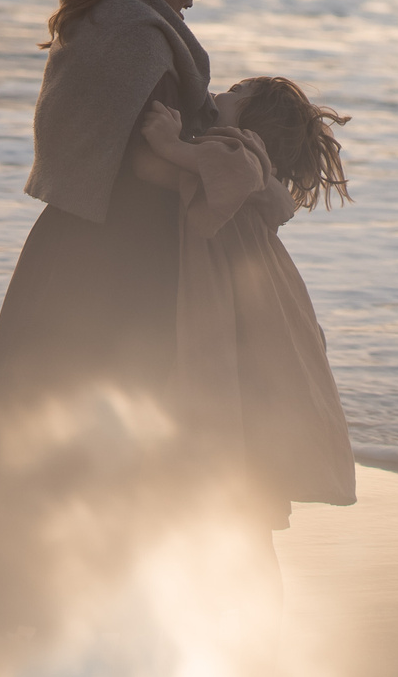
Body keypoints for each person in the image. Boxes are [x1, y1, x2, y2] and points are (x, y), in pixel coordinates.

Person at [0, 0, 219, 627]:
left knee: (48, 435)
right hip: (116, 263)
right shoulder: (139, 39)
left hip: (67, 250)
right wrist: (233, 164)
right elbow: (145, 165)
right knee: (116, 432)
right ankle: (90, 618)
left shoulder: (95, 25)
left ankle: (27, 612)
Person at [128, 76, 357, 529]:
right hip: (262, 303)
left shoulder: (240, 150)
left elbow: (221, 183)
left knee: (222, 402)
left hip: (227, 298)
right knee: (248, 431)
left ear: (254, 120)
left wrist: (172, 146)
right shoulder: (251, 166)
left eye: (236, 91)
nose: (221, 93)